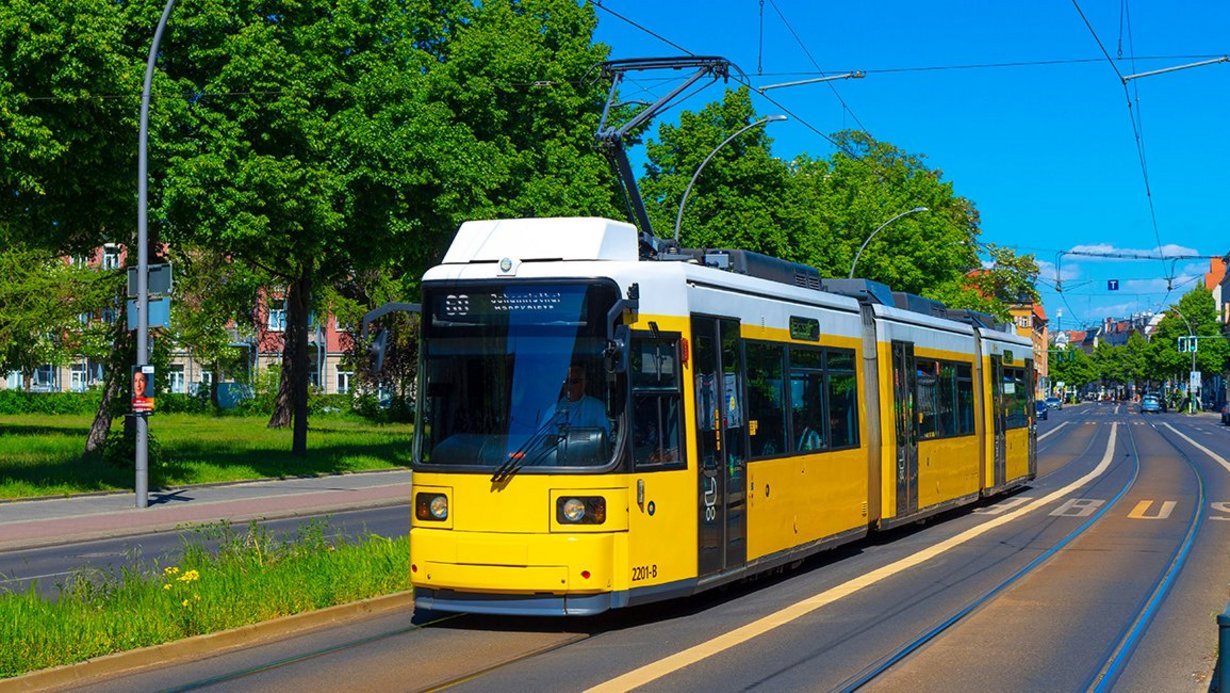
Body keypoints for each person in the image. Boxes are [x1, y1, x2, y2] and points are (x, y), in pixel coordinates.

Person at [547, 364, 608, 435]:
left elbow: (608, 437)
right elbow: (545, 441)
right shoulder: (553, 410)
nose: (569, 385)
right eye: (566, 381)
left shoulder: (598, 407)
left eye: (574, 381)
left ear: (584, 383)